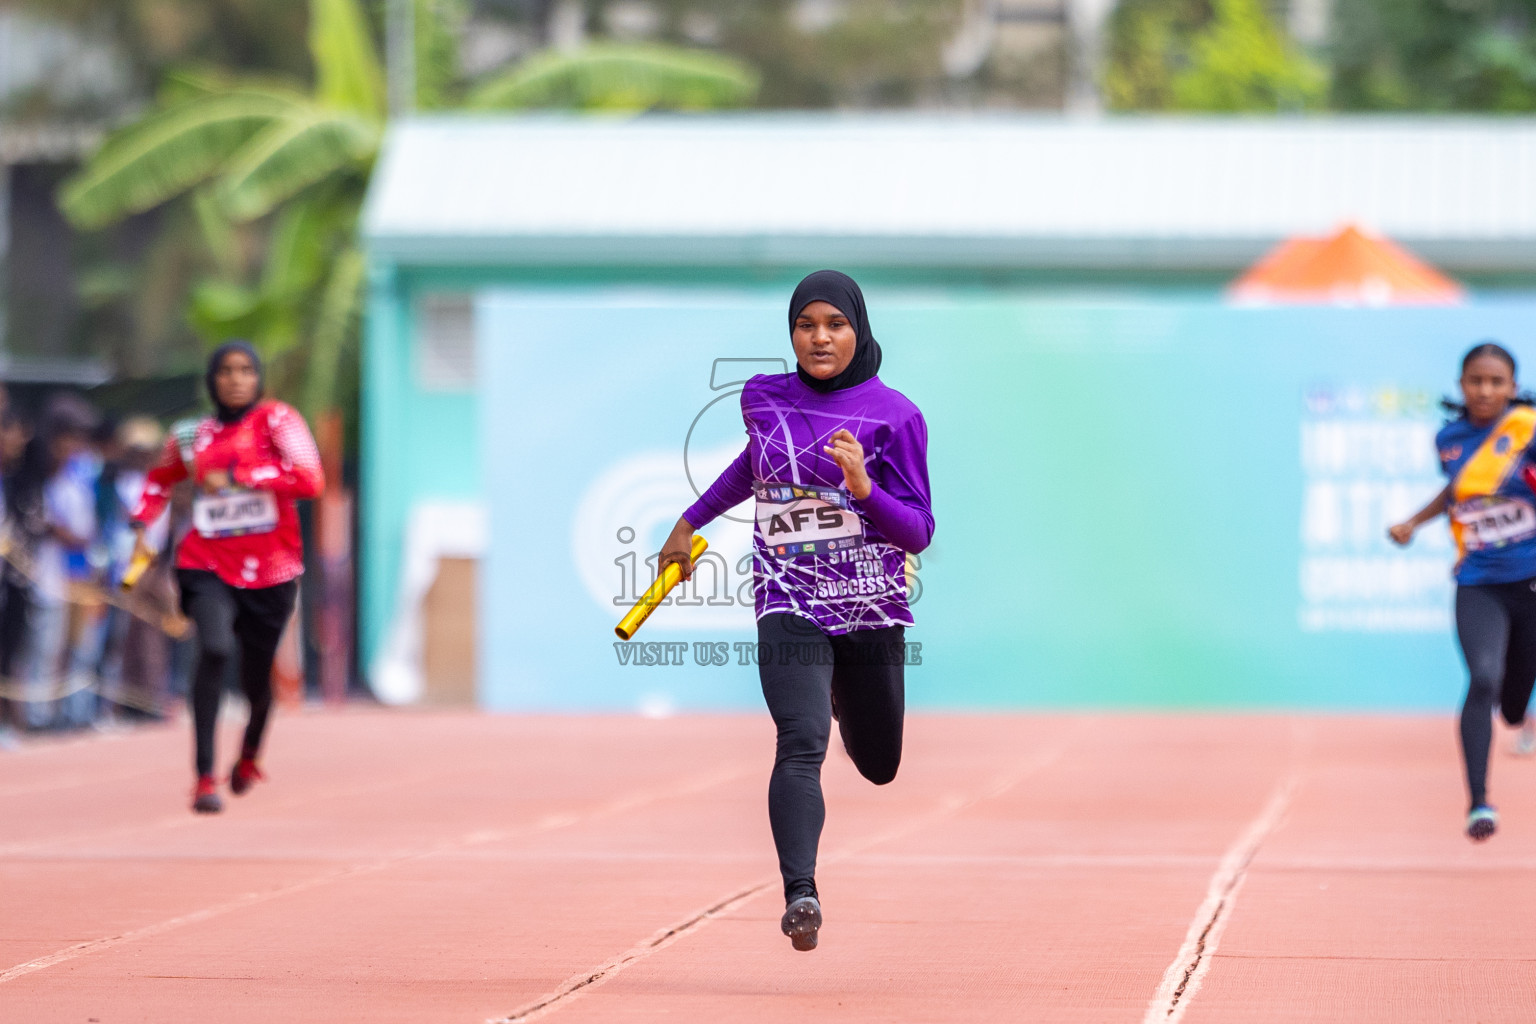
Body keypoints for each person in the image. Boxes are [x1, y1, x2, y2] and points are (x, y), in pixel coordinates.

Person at [660, 271, 934, 950]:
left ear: (858, 329)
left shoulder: (896, 416)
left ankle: (846, 688)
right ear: (791, 332)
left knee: (878, 762)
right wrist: (690, 522)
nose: (819, 337)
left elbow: (919, 531)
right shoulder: (765, 400)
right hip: (789, 599)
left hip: (869, 609)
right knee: (801, 738)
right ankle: (801, 892)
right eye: (806, 324)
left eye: (835, 324)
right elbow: (755, 465)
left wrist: (864, 488)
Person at [130, 341, 323, 813]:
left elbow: (310, 479)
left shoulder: (278, 421)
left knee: (258, 680)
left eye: (245, 371)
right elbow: (159, 479)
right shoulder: (191, 434)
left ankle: (251, 752)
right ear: (211, 380)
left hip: (271, 567)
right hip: (206, 561)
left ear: (258, 378)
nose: (235, 379)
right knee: (214, 648)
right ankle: (203, 777)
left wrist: (243, 478)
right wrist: (142, 524)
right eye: (225, 371)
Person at [1390, 341, 1536, 841]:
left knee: (1515, 705)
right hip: (1478, 583)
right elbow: (1457, 490)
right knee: (1483, 678)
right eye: (1476, 380)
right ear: (1462, 385)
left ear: (1513, 389)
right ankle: (1479, 803)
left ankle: (1522, 716)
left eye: (1496, 382)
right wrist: (1414, 521)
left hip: (1532, 585)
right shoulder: (1449, 439)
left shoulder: (1527, 431)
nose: (1485, 390)